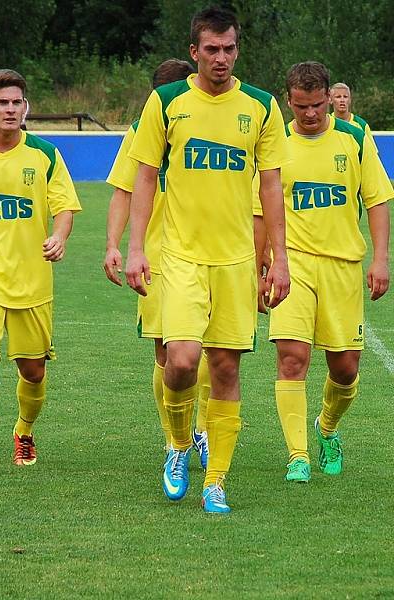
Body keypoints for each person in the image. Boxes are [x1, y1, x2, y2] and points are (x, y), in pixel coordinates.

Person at [125, 6, 291, 513]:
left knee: (225, 369)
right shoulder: (167, 100)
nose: (222, 58)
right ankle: (178, 444)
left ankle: (215, 479)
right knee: (180, 361)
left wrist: (278, 261)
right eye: (212, 49)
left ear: (237, 50)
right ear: (194, 52)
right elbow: (145, 177)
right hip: (180, 256)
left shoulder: (261, 107)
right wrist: (135, 248)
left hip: (236, 259)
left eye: (230, 49)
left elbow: (271, 188)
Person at [255, 62, 391, 483]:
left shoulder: (354, 137)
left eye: (317, 105)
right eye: (301, 106)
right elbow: (262, 207)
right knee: (292, 358)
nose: (310, 114)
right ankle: (297, 455)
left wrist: (381, 258)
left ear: (330, 98)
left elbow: (377, 199)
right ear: (288, 100)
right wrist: (261, 263)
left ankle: (326, 428)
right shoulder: (274, 141)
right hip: (291, 264)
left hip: (343, 266)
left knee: (346, 368)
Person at [0, 69, 81, 476]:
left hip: (32, 280)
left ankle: (23, 430)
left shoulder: (44, 154)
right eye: (1, 102)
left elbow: (64, 208)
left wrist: (59, 236)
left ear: (25, 108)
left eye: (16, 102)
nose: (9, 109)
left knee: (32, 370)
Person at [103, 58, 215, 468]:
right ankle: (175, 439)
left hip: (209, 252)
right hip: (156, 256)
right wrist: (115, 244)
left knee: (200, 350)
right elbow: (122, 190)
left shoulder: (209, 127)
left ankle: (199, 431)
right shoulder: (140, 133)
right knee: (167, 351)